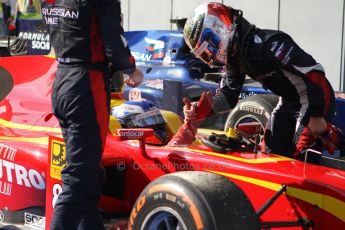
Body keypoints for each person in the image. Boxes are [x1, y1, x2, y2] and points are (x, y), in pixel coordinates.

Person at [178, 2, 335, 157]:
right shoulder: (235, 59)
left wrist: (316, 115)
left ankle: (333, 137)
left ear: (220, 28)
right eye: (204, 53)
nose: (210, 54)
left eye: (209, 46)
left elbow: (314, 71)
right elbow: (228, 97)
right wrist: (198, 110)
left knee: (302, 159)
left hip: (315, 96)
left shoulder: (269, 43)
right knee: (270, 154)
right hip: (288, 101)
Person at [41, 0, 143, 229]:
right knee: (79, 179)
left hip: (62, 80)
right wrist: (130, 69)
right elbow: (113, 41)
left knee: (89, 176)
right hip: (87, 85)